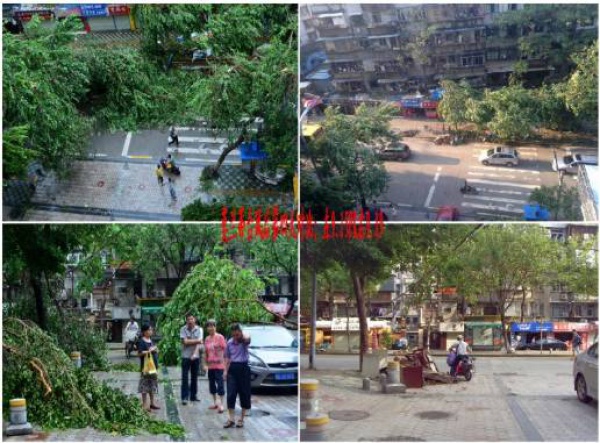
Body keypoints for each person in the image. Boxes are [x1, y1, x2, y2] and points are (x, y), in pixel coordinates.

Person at [223, 323, 251, 429]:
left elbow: (247, 339)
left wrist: (242, 337)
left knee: (244, 394)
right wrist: (225, 371)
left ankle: (241, 419)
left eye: (237, 335)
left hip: (244, 368)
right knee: (231, 394)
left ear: (241, 332)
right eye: (233, 335)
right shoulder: (229, 343)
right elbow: (227, 358)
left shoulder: (244, 340)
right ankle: (231, 419)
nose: (235, 337)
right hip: (232, 369)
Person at [204, 319, 227, 413]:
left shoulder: (220, 337)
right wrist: (205, 364)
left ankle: (221, 404)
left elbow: (226, 351)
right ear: (207, 328)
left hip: (220, 366)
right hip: (211, 366)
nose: (211, 328)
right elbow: (206, 353)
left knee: (220, 385)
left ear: (215, 327)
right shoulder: (207, 339)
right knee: (212, 385)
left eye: (212, 326)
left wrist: (226, 365)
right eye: (209, 326)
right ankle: (215, 403)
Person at [180, 314, 203, 405]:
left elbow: (199, 343)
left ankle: (193, 396)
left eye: (191, 319)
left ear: (195, 319)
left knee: (194, 377)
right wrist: (196, 341)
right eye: (188, 319)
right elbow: (184, 342)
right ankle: (184, 397)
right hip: (185, 356)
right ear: (186, 320)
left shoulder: (200, 329)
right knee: (185, 377)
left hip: (195, 356)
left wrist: (192, 343)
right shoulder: (183, 329)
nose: (190, 321)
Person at [137, 324, 160, 412]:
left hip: (153, 367)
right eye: (150, 330)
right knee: (144, 386)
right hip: (146, 368)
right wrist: (149, 351)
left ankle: (152, 403)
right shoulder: (141, 341)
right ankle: (144, 405)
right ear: (144, 331)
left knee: (152, 385)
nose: (151, 331)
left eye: (151, 329)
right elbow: (139, 353)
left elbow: (155, 351)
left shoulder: (151, 340)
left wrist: (156, 350)